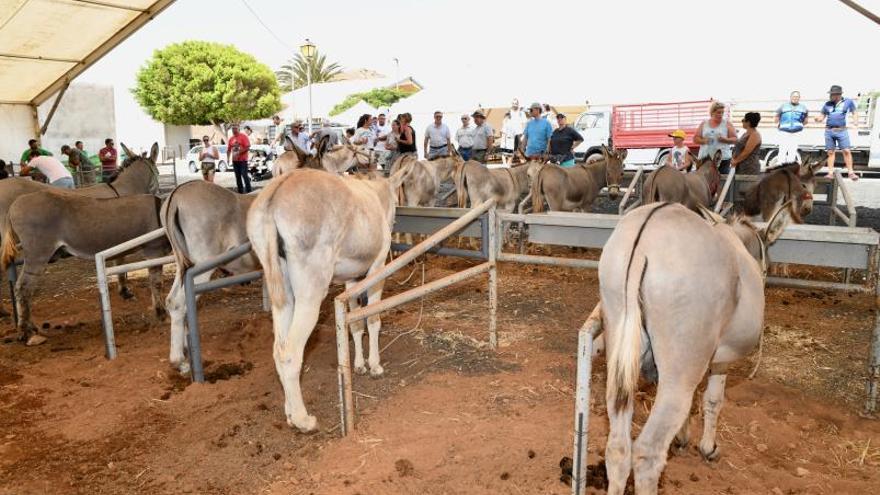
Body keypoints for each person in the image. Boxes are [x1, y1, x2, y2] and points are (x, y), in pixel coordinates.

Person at [815, 85, 859, 180]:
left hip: (842, 130)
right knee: (830, 152)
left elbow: (854, 112)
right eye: (831, 94)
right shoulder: (827, 104)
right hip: (829, 131)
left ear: (838, 95)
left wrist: (855, 121)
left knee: (846, 151)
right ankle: (830, 173)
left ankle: (851, 172)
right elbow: (822, 116)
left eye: (832, 94)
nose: (831, 96)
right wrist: (818, 119)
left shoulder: (848, 102)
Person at [694, 101, 736, 174]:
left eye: (722, 112)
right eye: (718, 112)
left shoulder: (727, 123)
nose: (721, 115)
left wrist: (724, 139)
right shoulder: (704, 123)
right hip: (705, 159)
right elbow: (695, 139)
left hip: (722, 159)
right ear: (712, 112)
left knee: (722, 181)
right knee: (704, 181)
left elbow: (735, 139)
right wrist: (704, 141)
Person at [775, 91, 809, 164]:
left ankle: (789, 169)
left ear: (799, 98)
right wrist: (779, 124)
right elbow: (777, 116)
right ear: (790, 97)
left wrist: (799, 125)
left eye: (797, 97)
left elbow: (806, 120)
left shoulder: (803, 108)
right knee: (782, 150)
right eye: (793, 96)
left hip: (796, 133)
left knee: (792, 151)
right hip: (784, 132)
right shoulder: (783, 106)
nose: (795, 98)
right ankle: (780, 169)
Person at [226, 123, 252, 193]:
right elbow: (228, 150)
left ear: (238, 129)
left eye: (235, 128)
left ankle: (249, 191)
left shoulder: (243, 136)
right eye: (233, 129)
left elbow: (247, 147)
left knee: (244, 175)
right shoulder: (231, 139)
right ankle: (240, 192)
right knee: (237, 177)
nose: (234, 130)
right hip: (235, 161)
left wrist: (239, 152)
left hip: (243, 160)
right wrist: (228, 159)